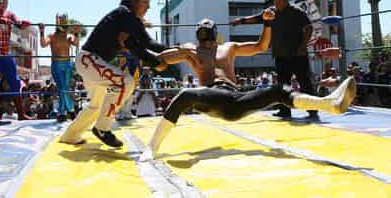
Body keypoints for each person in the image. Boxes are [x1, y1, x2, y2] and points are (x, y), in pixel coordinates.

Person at [140, 17, 356, 161]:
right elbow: (161, 58)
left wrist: (268, 24)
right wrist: (139, 42)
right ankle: (151, 147)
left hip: (235, 100)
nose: (204, 38)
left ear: (214, 34)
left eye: (207, 34)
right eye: (201, 34)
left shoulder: (229, 48)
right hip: (210, 99)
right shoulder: (191, 51)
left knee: (278, 90)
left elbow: (261, 46)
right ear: (198, 35)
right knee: (186, 94)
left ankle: (329, 104)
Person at [59, 0, 169, 147]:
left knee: (96, 105)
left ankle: (70, 135)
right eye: (145, 2)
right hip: (90, 60)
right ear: (133, 0)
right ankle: (102, 128)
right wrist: (163, 58)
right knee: (127, 82)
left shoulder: (126, 18)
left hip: (89, 61)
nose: (148, 7)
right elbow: (144, 44)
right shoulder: (125, 14)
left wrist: (166, 54)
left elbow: (141, 45)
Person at [232, 0, 317, 119]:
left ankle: (312, 111)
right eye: (275, 0)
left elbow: (309, 28)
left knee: (304, 82)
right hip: (280, 55)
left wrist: (303, 45)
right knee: (282, 86)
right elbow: (257, 18)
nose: (277, 2)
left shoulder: (297, 11)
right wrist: (241, 21)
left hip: (298, 55)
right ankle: (284, 110)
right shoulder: (271, 12)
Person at [39, 14, 81, 122]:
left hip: (67, 65)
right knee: (63, 88)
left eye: (65, 23)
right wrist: (42, 31)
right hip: (57, 65)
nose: (64, 26)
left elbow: (76, 44)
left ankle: (61, 113)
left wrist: (76, 33)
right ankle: (71, 110)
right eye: (62, 23)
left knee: (64, 88)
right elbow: (43, 44)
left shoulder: (68, 36)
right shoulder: (52, 36)